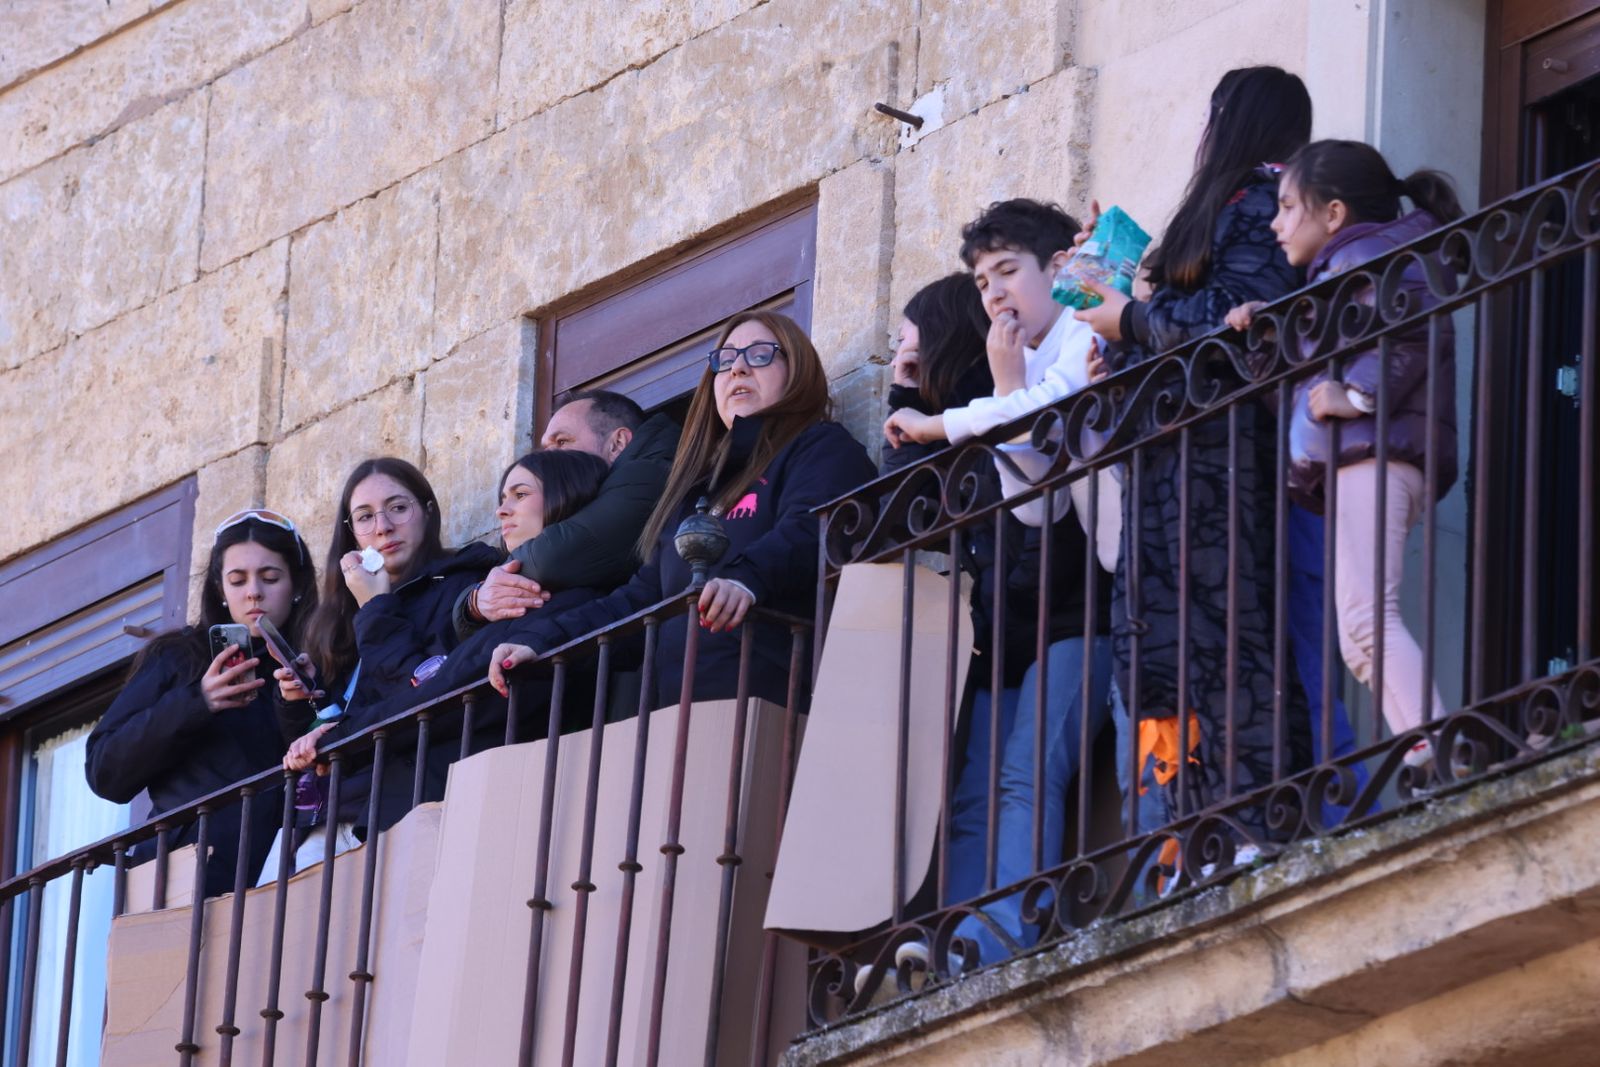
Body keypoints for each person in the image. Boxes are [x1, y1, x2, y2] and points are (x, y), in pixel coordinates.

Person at [1074, 65, 1314, 836]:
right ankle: (1195, 831)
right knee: (1173, 655)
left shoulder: (1257, 203)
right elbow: (1175, 326)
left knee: (1223, 637)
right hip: (1174, 465)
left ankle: (1251, 825)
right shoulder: (1235, 208)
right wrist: (1113, 314)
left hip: (1218, 461)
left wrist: (1133, 321)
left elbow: (1235, 323)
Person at [886, 203, 1118, 964]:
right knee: (978, 790)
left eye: (1007, 271)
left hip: (1087, 608)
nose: (993, 292)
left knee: (1022, 775)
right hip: (1016, 623)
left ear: (1057, 268)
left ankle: (1003, 940)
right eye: (982, 280)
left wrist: (966, 410)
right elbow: (1038, 499)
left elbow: (1043, 498)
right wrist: (1007, 383)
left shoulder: (1084, 331)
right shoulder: (1031, 363)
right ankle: (962, 946)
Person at [488, 311, 876, 710]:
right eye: (724, 361)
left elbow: (813, 528)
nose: (738, 367)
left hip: (778, 708)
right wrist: (541, 642)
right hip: (679, 723)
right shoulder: (696, 490)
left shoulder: (820, 447)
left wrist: (746, 580)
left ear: (798, 371)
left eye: (760, 355)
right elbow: (639, 599)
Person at [1227, 140, 1462, 771]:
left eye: (1285, 207)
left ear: (1332, 214)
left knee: (1364, 623)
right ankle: (1427, 751)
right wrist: (1269, 334)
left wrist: (1358, 395)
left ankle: (1442, 753)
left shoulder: (1367, 255)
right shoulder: (1343, 270)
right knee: (1362, 631)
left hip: (1374, 454)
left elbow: (1417, 329)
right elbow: (1309, 391)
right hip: (1370, 456)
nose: (1275, 224)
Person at [86, 510, 318, 896]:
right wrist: (198, 702)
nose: (254, 592)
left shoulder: (320, 659)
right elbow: (104, 769)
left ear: (296, 584)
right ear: (220, 591)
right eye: (237, 580)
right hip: (181, 879)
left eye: (270, 577)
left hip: (282, 877)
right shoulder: (179, 657)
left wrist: (298, 700)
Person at [275, 457, 498, 856]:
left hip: (391, 811)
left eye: (398, 507)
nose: (382, 527)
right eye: (364, 517)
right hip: (317, 817)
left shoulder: (464, 589)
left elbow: (419, 690)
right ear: (351, 534)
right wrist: (303, 698)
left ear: (427, 512)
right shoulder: (340, 615)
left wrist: (376, 606)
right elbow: (337, 718)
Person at [456, 390, 680, 638]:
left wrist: (482, 595)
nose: (546, 459)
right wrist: (474, 601)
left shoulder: (649, 472)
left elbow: (553, 557)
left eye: (561, 442)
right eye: (545, 448)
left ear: (617, 444)